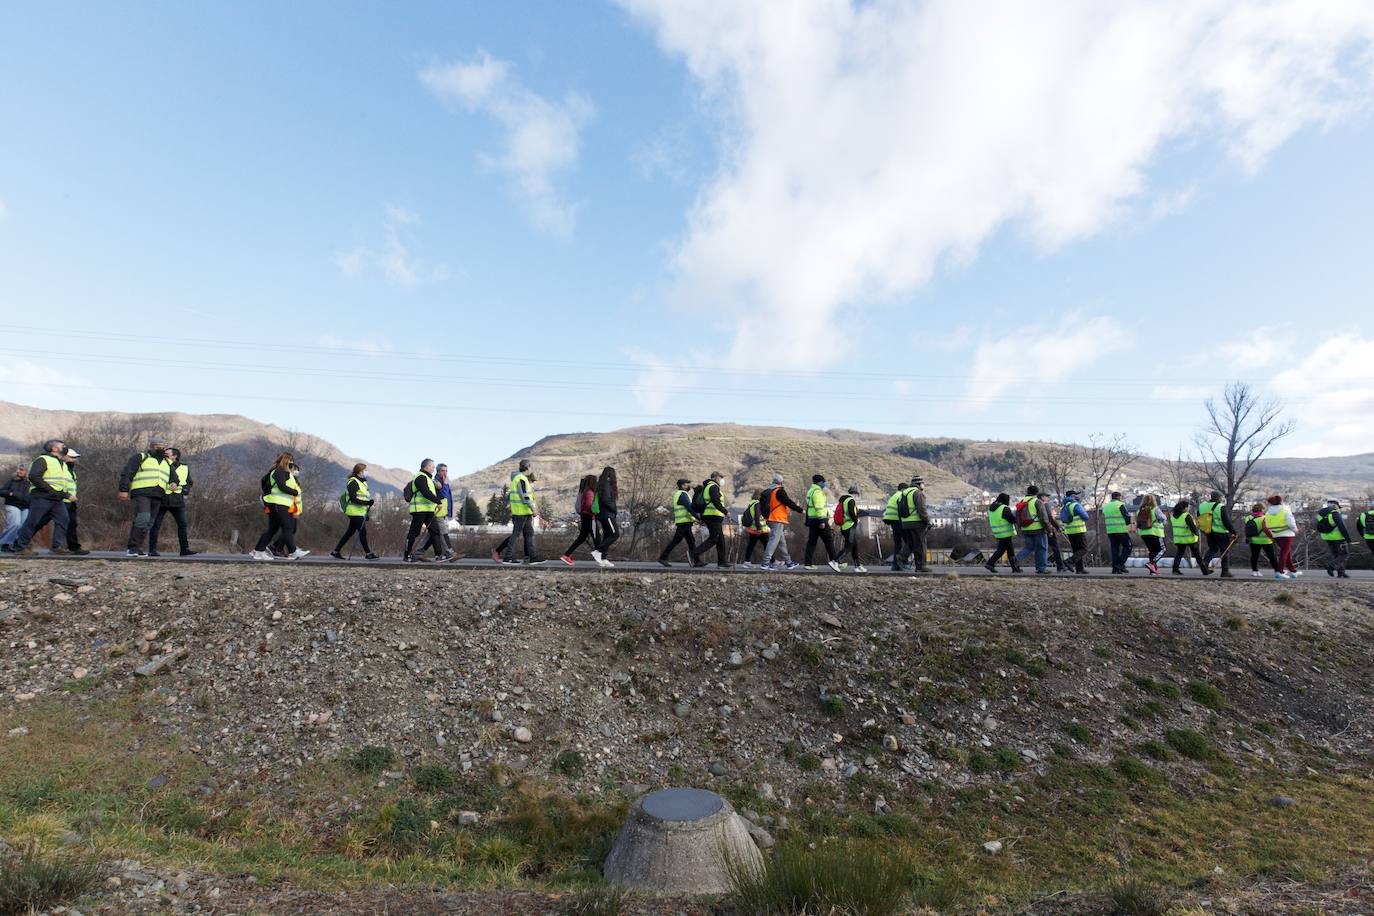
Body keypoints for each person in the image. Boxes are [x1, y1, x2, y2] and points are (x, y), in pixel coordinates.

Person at [9, 439, 72, 557]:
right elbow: (34, 477)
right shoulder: (42, 460)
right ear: (54, 449)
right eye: (62, 445)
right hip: (41, 497)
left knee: (63, 520)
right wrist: (51, 491)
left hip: (56, 499)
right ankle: (20, 547)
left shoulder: (61, 463)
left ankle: (56, 546)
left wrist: (65, 495)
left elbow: (61, 483)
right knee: (33, 521)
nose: (65, 447)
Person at [117, 436, 172, 558]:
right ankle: (132, 548)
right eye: (158, 447)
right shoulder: (140, 457)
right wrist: (123, 489)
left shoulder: (167, 462)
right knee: (143, 518)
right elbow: (127, 473)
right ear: (151, 447)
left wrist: (174, 483)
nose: (161, 450)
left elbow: (174, 477)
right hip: (141, 493)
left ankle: (138, 547)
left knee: (149, 523)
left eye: (163, 448)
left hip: (157, 495)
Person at [251, 453, 307, 560]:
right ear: (285, 461)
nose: (292, 464)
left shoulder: (285, 473)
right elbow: (282, 487)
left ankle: (258, 551)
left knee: (272, 529)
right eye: (290, 461)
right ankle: (293, 552)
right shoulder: (279, 472)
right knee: (287, 528)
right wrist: (294, 492)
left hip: (279, 504)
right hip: (278, 504)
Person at [149, 447, 197, 557]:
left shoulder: (184, 467)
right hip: (162, 499)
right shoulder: (161, 464)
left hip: (177, 500)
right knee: (155, 525)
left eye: (167, 454)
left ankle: (184, 550)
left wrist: (186, 490)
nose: (164, 456)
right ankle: (152, 550)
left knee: (182, 525)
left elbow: (189, 482)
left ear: (174, 456)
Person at [494, 460, 541, 564]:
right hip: (521, 512)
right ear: (528, 467)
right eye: (530, 467)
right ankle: (508, 557)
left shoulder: (521, 479)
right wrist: (533, 509)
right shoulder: (521, 479)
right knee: (516, 535)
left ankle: (532, 557)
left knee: (529, 534)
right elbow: (525, 496)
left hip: (525, 512)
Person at [405, 459, 450, 562]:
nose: (434, 469)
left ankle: (438, 555)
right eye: (432, 467)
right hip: (419, 510)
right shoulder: (420, 477)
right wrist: (438, 501)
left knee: (435, 531)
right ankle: (407, 555)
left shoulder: (428, 479)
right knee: (413, 533)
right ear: (426, 466)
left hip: (429, 510)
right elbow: (426, 492)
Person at [331, 463, 379, 559]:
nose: (366, 472)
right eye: (364, 470)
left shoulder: (362, 482)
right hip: (354, 511)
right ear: (359, 472)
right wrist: (367, 503)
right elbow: (353, 499)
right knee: (362, 532)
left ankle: (336, 551)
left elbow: (361, 497)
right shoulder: (353, 482)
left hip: (359, 511)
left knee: (350, 532)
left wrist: (366, 509)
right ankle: (368, 553)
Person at [760, 474, 803, 570]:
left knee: (781, 542)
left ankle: (788, 562)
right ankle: (765, 563)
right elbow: (788, 502)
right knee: (773, 541)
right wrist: (800, 510)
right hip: (777, 519)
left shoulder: (768, 491)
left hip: (770, 519)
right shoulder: (779, 491)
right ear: (781, 482)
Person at [658, 478, 702, 567]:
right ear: (682, 485)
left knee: (691, 541)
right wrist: (699, 518)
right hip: (683, 522)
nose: (688, 485)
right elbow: (690, 508)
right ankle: (663, 557)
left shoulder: (681, 494)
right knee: (677, 541)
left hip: (685, 522)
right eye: (687, 484)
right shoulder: (682, 494)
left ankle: (697, 561)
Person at [416, 463, 455, 558]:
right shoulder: (436, 482)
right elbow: (442, 495)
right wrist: (445, 484)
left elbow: (448, 500)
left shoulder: (443, 481)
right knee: (443, 532)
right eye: (442, 471)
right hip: (437, 512)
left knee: (432, 534)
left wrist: (449, 513)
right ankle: (450, 552)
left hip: (442, 512)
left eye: (446, 471)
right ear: (438, 471)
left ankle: (418, 553)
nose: (445, 473)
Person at [802, 474, 841, 571]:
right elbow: (819, 508)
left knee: (812, 542)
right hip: (819, 520)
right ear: (819, 482)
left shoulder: (810, 491)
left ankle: (808, 563)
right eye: (823, 482)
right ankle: (835, 562)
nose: (824, 484)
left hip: (812, 520)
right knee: (829, 540)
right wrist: (822, 521)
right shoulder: (818, 492)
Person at [561, 474, 601, 566]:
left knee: (582, 537)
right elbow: (589, 505)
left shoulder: (584, 492)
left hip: (584, 517)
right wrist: (595, 511)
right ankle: (600, 559)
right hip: (590, 517)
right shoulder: (590, 492)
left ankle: (566, 555)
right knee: (597, 538)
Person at [697, 471, 732, 568]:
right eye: (721, 477)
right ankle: (694, 553)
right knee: (714, 538)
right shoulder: (713, 487)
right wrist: (726, 512)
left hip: (712, 516)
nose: (722, 479)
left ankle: (722, 562)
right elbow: (716, 502)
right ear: (715, 477)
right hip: (713, 516)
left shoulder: (709, 486)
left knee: (720, 539)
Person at [57, 448, 89, 555]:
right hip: (60, 500)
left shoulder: (71, 471)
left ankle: (74, 547)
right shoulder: (60, 468)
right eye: (72, 457)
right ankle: (21, 542)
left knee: (72, 524)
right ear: (64, 457)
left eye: (75, 458)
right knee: (40, 521)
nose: (74, 460)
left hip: (70, 501)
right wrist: (66, 495)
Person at [1014, 485, 1052, 574]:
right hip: (1038, 529)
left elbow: (1017, 516)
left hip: (1026, 529)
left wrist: (1020, 527)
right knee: (1042, 548)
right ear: (1037, 493)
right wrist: (1049, 529)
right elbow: (1043, 518)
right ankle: (1041, 568)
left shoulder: (1022, 501)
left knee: (1029, 547)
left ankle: (1016, 559)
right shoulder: (1037, 501)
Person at [1197, 491, 1235, 579]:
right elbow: (1226, 521)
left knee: (1213, 549)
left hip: (1209, 532)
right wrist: (1233, 531)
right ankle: (1225, 571)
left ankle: (1205, 563)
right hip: (1221, 532)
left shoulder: (1202, 506)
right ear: (1218, 498)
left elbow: (1199, 518)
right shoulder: (1221, 507)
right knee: (1224, 551)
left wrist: (1203, 529)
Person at [898, 475, 930, 572]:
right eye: (922, 483)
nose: (923, 485)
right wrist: (927, 521)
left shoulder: (903, 493)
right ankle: (921, 567)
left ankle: (901, 557)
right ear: (919, 484)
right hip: (917, 523)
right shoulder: (918, 493)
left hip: (905, 523)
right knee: (920, 544)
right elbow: (922, 510)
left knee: (910, 543)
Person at [1169, 499, 1209, 575]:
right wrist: (1197, 533)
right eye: (1187, 507)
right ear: (1184, 508)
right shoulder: (1186, 516)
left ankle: (1175, 569)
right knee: (1197, 556)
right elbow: (1192, 527)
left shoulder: (1173, 517)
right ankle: (1204, 571)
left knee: (1179, 554)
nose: (1188, 509)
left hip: (1179, 539)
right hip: (1190, 539)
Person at [984, 493, 1021, 574]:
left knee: (1010, 550)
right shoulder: (1004, 508)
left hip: (998, 532)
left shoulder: (992, 508)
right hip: (1006, 532)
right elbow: (1011, 520)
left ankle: (1015, 568)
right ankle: (990, 563)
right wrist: (1017, 517)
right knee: (1001, 550)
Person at [833, 485, 867, 573]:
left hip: (845, 526)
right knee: (849, 546)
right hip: (849, 526)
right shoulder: (851, 500)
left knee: (854, 546)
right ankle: (835, 561)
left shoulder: (845, 500)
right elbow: (852, 512)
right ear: (856, 493)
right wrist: (856, 520)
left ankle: (857, 565)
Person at [1315, 499, 1352, 579]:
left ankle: (1341, 572)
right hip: (1338, 537)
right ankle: (1331, 566)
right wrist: (1348, 539)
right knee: (1344, 554)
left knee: (1336, 555)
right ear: (1336, 506)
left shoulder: (1320, 514)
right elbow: (1342, 527)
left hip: (1327, 537)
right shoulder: (1335, 513)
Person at [1265, 494, 1299, 578]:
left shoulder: (1268, 512)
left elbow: (1266, 524)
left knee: (1286, 552)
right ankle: (1280, 571)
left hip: (1275, 534)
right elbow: (1291, 523)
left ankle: (1293, 571)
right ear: (1281, 501)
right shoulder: (1285, 510)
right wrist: (1296, 530)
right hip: (1286, 533)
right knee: (1284, 552)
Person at [590, 466, 618, 568]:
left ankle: (604, 558)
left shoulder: (602, 484)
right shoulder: (607, 485)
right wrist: (614, 510)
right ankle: (598, 552)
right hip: (607, 514)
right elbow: (606, 500)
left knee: (607, 535)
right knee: (615, 534)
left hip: (604, 514)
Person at [1101, 491, 1134, 574]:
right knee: (1128, 546)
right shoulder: (1120, 504)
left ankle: (1115, 569)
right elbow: (1127, 516)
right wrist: (1127, 524)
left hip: (1110, 531)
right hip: (1120, 529)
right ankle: (1120, 565)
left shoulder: (1106, 506)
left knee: (1115, 549)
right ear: (1119, 497)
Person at [0, 466, 31, 552]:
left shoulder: (31, 482)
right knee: (16, 524)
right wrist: (11, 493)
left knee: (23, 526)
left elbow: (31, 496)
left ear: (27, 472)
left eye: (21, 470)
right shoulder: (12, 480)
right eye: (18, 469)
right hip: (12, 504)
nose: (19, 471)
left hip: (26, 506)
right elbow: (1, 491)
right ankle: (4, 543)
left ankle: (16, 544)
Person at [1059, 490, 1090, 574]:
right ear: (1072, 496)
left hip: (1069, 531)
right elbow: (1085, 517)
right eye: (1076, 495)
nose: (1077, 497)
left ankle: (1079, 569)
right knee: (1084, 549)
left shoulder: (1064, 506)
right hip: (1078, 530)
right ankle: (1069, 561)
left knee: (1076, 550)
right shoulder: (1075, 505)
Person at [1244, 503, 1279, 578]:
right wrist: (1273, 538)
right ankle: (1277, 570)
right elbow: (1267, 529)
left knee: (1254, 556)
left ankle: (1254, 571)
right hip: (1266, 540)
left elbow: (1247, 529)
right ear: (1261, 509)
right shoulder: (1265, 518)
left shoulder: (1248, 518)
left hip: (1253, 540)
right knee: (1271, 556)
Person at [1136, 495, 1167, 575]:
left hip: (1144, 533)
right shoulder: (1155, 509)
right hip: (1155, 532)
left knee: (1152, 551)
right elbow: (1163, 518)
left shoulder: (1139, 510)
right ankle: (1152, 563)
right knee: (1162, 549)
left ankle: (1153, 571)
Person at [739, 489, 769, 568]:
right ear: (760, 496)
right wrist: (759, 528)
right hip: (759, 529)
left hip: (753, 529)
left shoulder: (752, 503)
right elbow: (757, 517)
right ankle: (772, 561)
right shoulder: (757, 504)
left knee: (751, 545)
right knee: (768, 544)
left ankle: (747, 561)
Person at [883, 484, 907, 571]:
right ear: (904, 489)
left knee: (897, 544)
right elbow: (902, 510)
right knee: (908, 542)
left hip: (892, 521)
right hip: (898, 521)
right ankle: (902, 562)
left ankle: (895, 565)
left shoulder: (893, 496)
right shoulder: (901, 496)